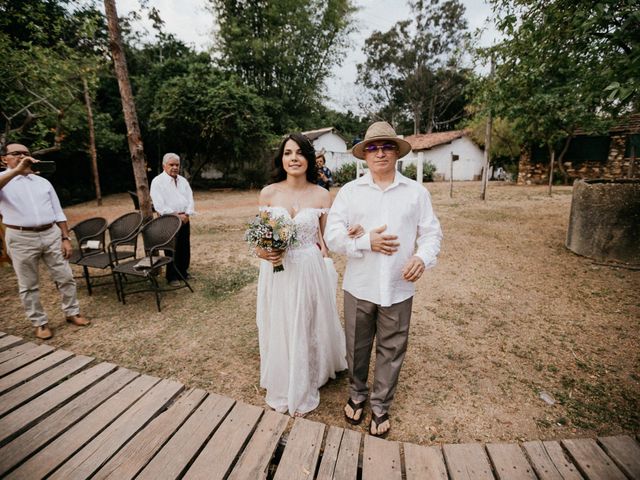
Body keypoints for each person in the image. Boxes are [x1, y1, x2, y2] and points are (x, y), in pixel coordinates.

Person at [324, 121, 442, 437]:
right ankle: (357, 394)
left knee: (392, 347)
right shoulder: (350, 192)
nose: (379, 152)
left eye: (386, 146)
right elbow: (332, 235)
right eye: (373, 147)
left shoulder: (416, 192)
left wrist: (421, 257)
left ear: (396, 151)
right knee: (357, 345)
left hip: (398, 286)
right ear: (364, 155)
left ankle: (380, 405)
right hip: (359, 284)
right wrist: (366, 243)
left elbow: (431, 234)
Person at [254, 133, 347, 417]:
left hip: (309, 267)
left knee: (308, 320)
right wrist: (264, 253)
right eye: (287, 153)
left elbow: (326, 239)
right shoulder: (268, 193)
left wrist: (348, 235)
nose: (293, 158)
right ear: (281, 159)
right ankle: (285, 373)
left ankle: (310, 372)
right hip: (277, 270)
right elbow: (261, 240)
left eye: (299, 153)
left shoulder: (321, 194)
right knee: (281, 320)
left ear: (309, 158)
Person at [0, 143, 90, 340]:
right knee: (28, 284)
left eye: (26, 154)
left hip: (50, 233)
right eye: (16, 154)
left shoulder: (42, 182)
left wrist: (65, 238)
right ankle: (39, 322)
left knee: (65, 276)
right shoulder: (3, 180)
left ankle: (72, 312)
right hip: (20, 237)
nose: (23, 157)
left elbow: (58, 211)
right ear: (4, 159)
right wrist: (16, 171)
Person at [150, 153, 195, 287]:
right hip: (169, 219)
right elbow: (159, 205)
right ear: (164, 165)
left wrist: (187, 214)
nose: (175, 167)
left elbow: (190, 197)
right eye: (172, 165)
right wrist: (176, 215)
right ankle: (172, 276)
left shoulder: (183, 180)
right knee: (171, 248)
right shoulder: (157, 182)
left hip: (185, 218)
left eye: (177, 165)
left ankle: (183, 271)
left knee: (184, 246)